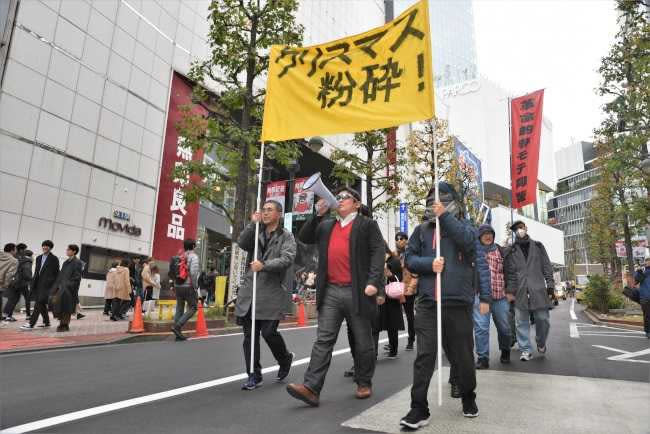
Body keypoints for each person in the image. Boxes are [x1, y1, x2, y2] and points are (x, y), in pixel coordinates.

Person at [400, 183, 490, 429]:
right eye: (430, 200)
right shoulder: (421, 231)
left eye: (440, 200)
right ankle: (418, 408)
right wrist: (430, 264)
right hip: (429, 302)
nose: (434, 204)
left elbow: (470, 244)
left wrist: (445, 217)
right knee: (425, 355)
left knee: (462, 356)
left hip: (457, 302)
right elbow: (409, 259)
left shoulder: (466, 228)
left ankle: (468, 396)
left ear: (453, 203)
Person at [287, 187, 385, 407]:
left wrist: (373, 283)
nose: (339, 200)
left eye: (344, 198)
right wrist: (318, 214)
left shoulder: (367, 225)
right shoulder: (327, 225)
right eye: (336, 197)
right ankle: (311, 388)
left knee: (362, 340)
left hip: (358, 290)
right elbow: (304, 237)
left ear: (357, 204)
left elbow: (378, 253)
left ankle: (364, 381)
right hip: (330, 290)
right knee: (324, 339)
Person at [235, 200, 297, 390]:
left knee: (269, 332)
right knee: (249, 336)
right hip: (250, 291)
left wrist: (265, 265)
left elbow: (287, 258)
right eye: (264, 210)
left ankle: (284, 358)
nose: (265, 213)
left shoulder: (286, 236)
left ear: (279, 214)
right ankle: (254, 374)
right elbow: (242, 243)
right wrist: (252, 224)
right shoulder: (256, 232)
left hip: (271, 292)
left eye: (270, 210)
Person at [505, 220, 555, 361]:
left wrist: (550, 285)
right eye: (516, 229)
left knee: (543, 319)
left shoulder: (538, 246)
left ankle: (541, 342)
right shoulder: (512, 250)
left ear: (526, 228)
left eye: (521, 227)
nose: (519, 230)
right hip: (520, 291)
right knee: (521, 322)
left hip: (538, 289)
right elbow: (510, 273)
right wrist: (509, 291)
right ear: (514, 233)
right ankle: (526, 349)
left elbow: (546, 266)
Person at [473, 224, 512, 368]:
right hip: (481, 296)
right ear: (479, 237)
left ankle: (505, 349)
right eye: (484, 234)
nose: (488, 236)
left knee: (505, 327)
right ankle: (483, 358)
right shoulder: (474, 252)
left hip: (500, 296)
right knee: (481, 327)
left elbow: (511, 273)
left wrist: (510, 291)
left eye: (490, 234)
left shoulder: (502, 251)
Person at [21, 241, 59, 330]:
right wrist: (32, 283)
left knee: (39, 303)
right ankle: (47, 322)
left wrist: (54, 285)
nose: (45, 247)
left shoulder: (54, 259)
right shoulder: (38, 258)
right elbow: (37, 271)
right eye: (44, 246)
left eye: (47, 246)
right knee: (41, 304)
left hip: (47, 285)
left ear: (50, 248)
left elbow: (57, 273)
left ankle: (31, 323)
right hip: (37, 284)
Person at [375, 244, 404, 359]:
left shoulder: (394, 261)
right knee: (375, 325)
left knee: (392, 325)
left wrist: (390, 274)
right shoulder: (373, 260)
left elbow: (399, 279)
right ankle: (373, 353)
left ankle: (393, 350)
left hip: (391, 297)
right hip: (377, 296)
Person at [171, 239, 200, 341]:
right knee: (193, 307)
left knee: (180, 307)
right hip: (188, 286)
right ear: (193, 246)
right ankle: (177, 326)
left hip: (178, 285)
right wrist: (195, 286)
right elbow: (193, 273)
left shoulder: (180, 256)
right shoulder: (194, 257)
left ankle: (177, 332)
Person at [50, 245, 83, 332]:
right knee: (58, 305)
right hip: (61, 287)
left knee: (66, 307)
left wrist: (68, 285)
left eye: (68, 250)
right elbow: (60, 275)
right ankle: (62, 323)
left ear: (74, 251)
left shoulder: (77, 262)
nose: (67, 251)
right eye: (67, 249)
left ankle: (64, 325)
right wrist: (56, 286)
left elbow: (77, 277)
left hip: (69, 289)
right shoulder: (66, 262)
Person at [395, 232, 417, 351]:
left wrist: (410, 288)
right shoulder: (394, 254)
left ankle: (411, 339)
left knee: (409, 315)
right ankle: (393, 344)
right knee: (393, 314)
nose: (399, 241)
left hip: (408, 288)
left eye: (402, 238)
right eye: (397, 239)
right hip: (395, 288)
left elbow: (415, 273)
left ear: (407, 240)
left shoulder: (410, 253)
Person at [3, 249, 33, 322]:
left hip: (14, 283)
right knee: (27, 298)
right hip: (23, 284)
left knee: (13, 299)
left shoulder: (19, 260)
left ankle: (7, 315)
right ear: (30, 256)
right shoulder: (27, 262)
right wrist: (31, 279)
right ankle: (28, 315)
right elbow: (27, 273)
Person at [0, 243, 18, 323]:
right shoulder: (14, 260)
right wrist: (5, 285)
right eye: (15, 249)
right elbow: (9, 274)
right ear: (12, 250)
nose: (16, 251)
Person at [634, 257, 650, 338]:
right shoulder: (642, 272)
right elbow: (636, 281)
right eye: (647, 262)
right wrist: (639, 271)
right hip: (645, 297)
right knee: (647, 315)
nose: (648, 263)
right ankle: (648, 331)